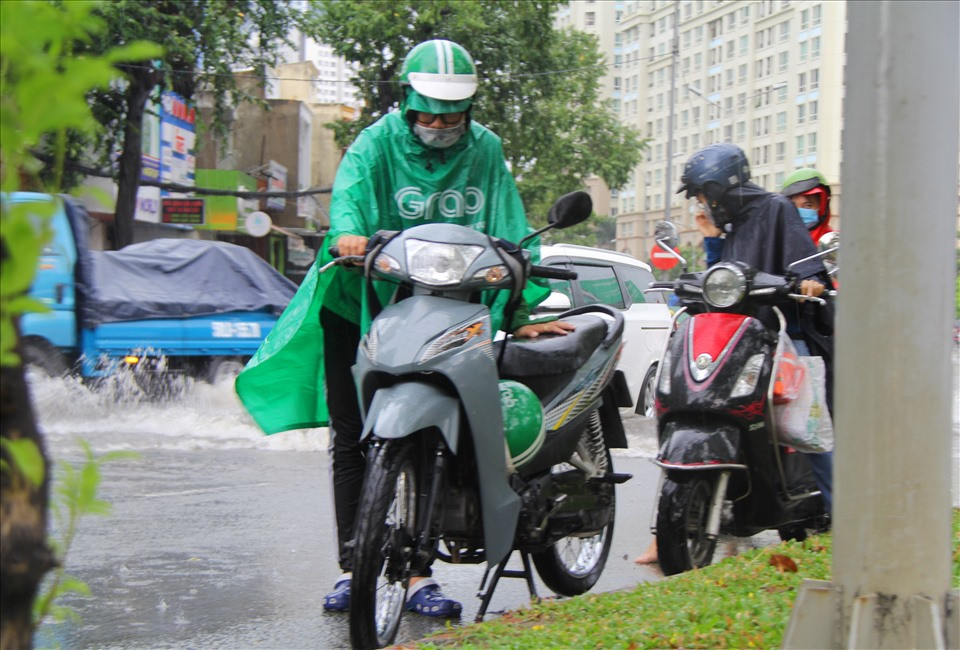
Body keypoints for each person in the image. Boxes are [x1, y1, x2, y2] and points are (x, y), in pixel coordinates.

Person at [235, 39, 572, 617]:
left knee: (442, 432)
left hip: (449, 308)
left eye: (453, 113)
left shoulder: (485, 149)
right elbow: (350, 203)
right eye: (430, 111)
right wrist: (348, 235)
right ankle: (355, 565)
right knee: (353, 436)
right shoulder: (375, 143)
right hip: (360, 300)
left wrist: (520, 309)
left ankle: (419, 576)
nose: (442, 123)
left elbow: (509, 227)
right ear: (409, 101)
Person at [637, 145, 834, 566]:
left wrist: (809, 282)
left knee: (807, 421)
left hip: (779, 331)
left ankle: (840, 515)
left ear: (719, 189)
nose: (701, 205)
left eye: (703, 196)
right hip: (738, 337)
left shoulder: (777, 210)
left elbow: (805, 265)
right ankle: (670, 526)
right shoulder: (732, 227)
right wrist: (710, 241)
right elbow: (719, 281)